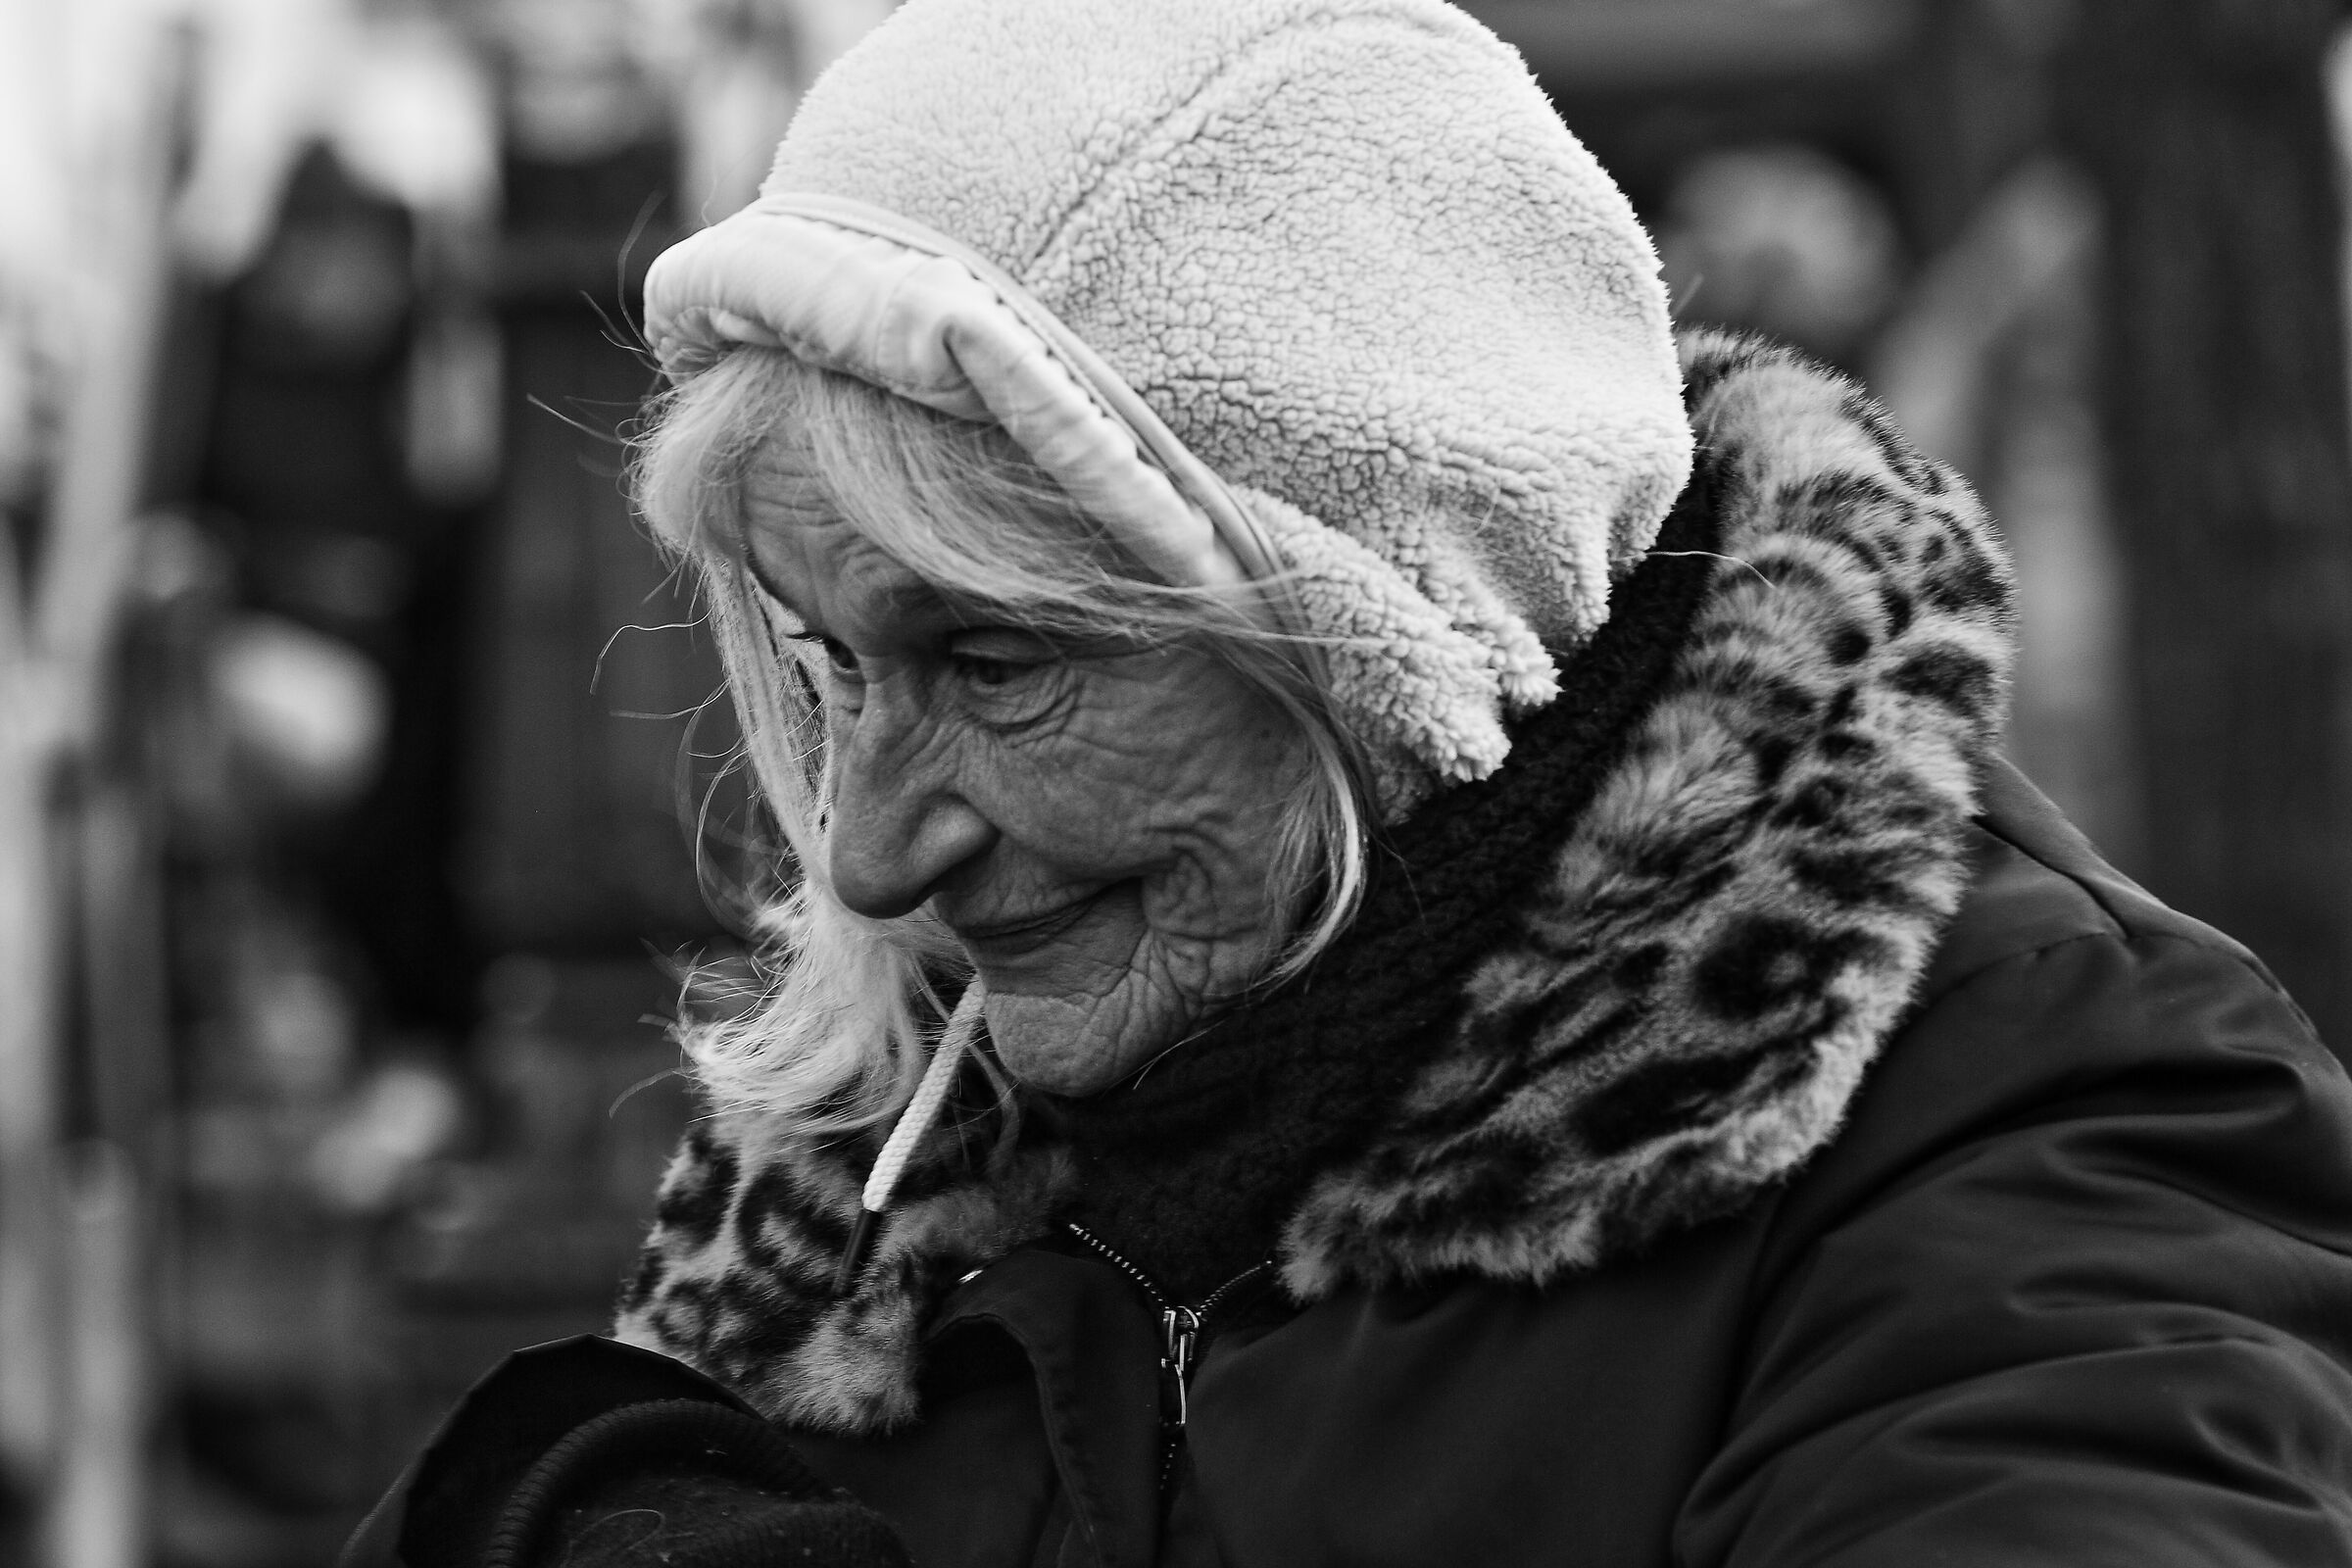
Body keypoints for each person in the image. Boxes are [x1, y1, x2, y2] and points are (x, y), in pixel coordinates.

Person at [346, 0, 2352, 1563]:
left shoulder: (2032, 1118)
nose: (870, 848)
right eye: (828, 660)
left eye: (996, 659)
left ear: (1389, 623)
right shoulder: (906, 1122)